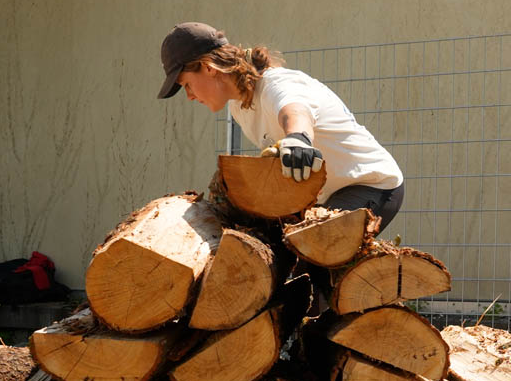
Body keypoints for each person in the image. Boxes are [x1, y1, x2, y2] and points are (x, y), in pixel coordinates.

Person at [157, 22, 404, 231]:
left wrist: (297, 138)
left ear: (208, 68)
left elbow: (295, 110)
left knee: (317, 254)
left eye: (187, 84)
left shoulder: (278, 83)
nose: (189, 96)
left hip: (372, 185)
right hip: (326, 196)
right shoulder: (239, 105)